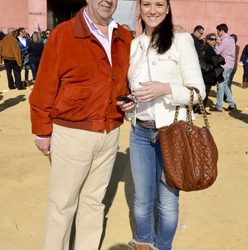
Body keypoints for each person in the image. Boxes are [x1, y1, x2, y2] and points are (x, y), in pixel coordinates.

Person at [29, 0, 132, 249]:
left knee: (94, 202)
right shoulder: (63, 34)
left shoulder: (124, 36)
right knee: (62, 204)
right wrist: (42, 131)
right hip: (72, 133)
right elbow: (44, 85)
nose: (107, 0)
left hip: (109, 132)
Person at [117, 0, 205, 249]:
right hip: (140, 133)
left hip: (172, 134)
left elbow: (199, 93)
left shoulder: (181, 41)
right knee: (142, 200)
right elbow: (135, 91)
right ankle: (143, 243)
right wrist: (130, 105)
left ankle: (162, 246)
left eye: (159, 4)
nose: (152, 10)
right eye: (147, 4)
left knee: (167, 202)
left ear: (167, 9)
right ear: (139, 8)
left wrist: (165, 89)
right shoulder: (134, 46)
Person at [211, 23, 236, 112]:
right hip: (230, 65)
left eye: (218, 31)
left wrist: (215, 44)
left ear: (221, 30)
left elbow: (217, 51)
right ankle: (232, 104)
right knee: (225, 85)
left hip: (224, 65)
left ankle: (219, 106)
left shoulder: (225, 40)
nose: (217, 33)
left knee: (220, 85)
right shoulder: (231, 39)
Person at [200, 33, 225, 113]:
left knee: (204, 91)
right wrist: (219, 59)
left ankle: (199, 108)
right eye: (212, 39)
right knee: (205, 92)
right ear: (207, 40)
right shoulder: (209, 49)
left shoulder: (206, 48)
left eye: (215, 39)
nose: (214, 41)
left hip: (206, 73)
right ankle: (201, 109)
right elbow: (209, 59)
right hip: (208, 73)